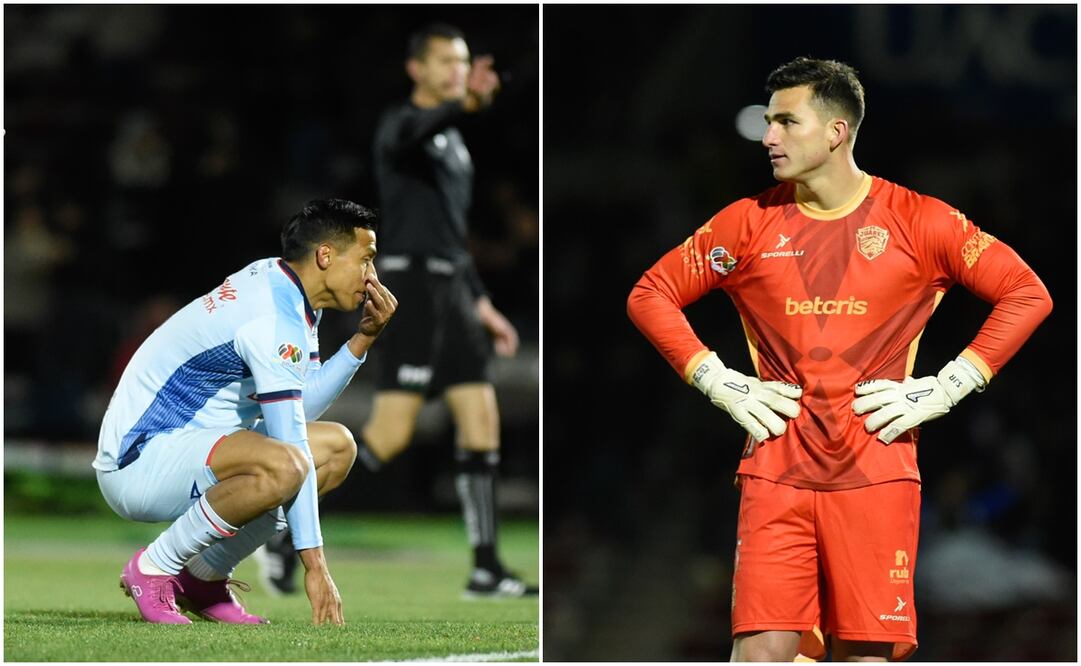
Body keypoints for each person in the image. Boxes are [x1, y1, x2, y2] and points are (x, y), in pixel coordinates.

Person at [626, 57, 1052, 661]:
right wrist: (716, 378)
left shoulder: (920, 221)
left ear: (836, 131)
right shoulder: (746, 224)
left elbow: (1027, 292)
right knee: (759, 655)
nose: (769, 136)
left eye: (785, 122)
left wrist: (951, 384)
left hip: (874, 471)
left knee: (861, 657)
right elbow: (650, 294)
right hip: (775, 469)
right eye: (769, 122)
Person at [259, 23, 534, 600]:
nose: (456, 70)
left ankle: (485, 566)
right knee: (389, 433)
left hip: (452, 288)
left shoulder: (454, 139)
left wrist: (481, 302)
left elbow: (451, 235)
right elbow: (423, 127)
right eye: (445, 62)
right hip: (411, 285)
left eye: (462, 62)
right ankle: (284, 533)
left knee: (481, 417)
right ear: (418, 70)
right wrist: (464, 103)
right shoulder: (404, 126)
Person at [94, 199, 398, 625]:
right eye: (366, 259)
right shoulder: (273, 317)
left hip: (190, 446)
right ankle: (154, 567)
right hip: (140, 459)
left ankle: (204, 576)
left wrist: (363, 339)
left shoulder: (287, 288)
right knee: (288, 463)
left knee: (334, 449)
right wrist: (316, 567)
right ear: (325, 256)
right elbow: (289, 443)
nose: (372, 277)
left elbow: (300, 404)